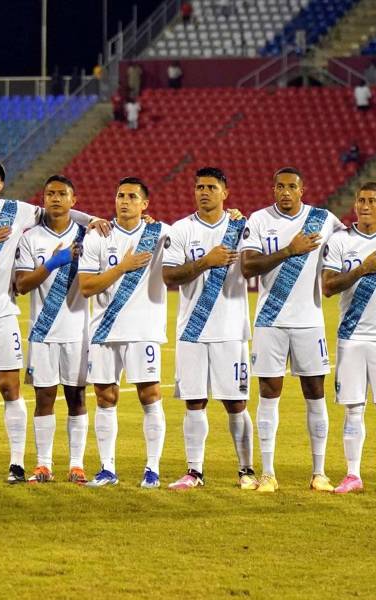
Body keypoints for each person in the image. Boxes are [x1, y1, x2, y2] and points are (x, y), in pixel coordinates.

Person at [0, 156, 105, 483]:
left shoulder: (17, 211)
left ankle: (16, 464)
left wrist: (95, 219)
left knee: (9, 387)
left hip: (3, 314)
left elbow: (59, 211)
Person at [239, 168, 345, 493]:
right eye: (280, 186)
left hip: (309, 321)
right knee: (269, 394)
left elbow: (354, 240)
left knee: (316, 394)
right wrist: (289, 250)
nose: (285, 192)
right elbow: (247, 267)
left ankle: (319, 473)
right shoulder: (259, 220)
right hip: (270, 320)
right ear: (273, 189)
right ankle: (268, 474)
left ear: (302, 190)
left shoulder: (323, 219)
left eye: (291, 187)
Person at [163, 167, 255, 490]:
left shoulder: (242, 228)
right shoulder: (181, 229)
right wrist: (207, 261)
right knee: (194, 401)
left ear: (225, 193)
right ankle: (194, 471)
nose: (204, 192)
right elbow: (169, 276)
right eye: (199, 187)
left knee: (236, 403)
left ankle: (246, 470)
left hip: (231, 329)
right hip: (192, 330)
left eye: (211, 187)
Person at [78, 177, 169, 488]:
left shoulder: (160, 233)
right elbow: (86, 287)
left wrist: (234, 215)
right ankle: (107, 469)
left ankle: (152, 469)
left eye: (132, 196)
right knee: (105, 397)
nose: (125, 201)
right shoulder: (98, 236)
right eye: (120, 195)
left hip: (143, 330)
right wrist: (122, 267)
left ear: (145, 204)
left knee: (150, 395)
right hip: (104, 330)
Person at [322, 183, 376, 494]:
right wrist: (364, 268)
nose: (365, 205)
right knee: (353, 408)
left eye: (372, 201)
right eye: (361, 200)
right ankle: (353, 474)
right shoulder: (340, 240)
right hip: (351, 336)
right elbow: (328, 287)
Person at [14, 175, 89, 485]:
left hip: (78, 331)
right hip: (43, 331)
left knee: (77, 397)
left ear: (74, 200)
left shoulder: (87, 237)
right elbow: (21, 285)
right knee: (44, 398)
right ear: (43, 200)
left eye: (62, 194)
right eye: (50, 194)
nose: (55, 198)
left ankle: (77, 465)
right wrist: (54, 262)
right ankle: (43, 464)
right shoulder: (30, 238)